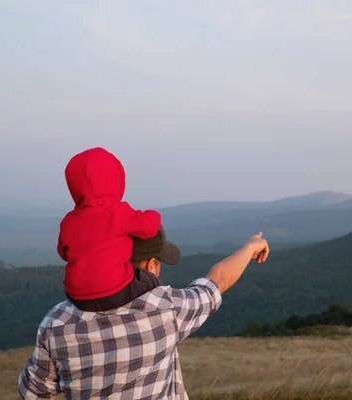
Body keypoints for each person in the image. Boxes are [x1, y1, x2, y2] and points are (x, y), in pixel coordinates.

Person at [18, 226, 270, 399]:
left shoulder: (58, 322)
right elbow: (218, 282)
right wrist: (249, 249)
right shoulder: (167, 310)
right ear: (151, 265)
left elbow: (34, 392)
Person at [57, 147, 162, 312]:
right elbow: (149, 227)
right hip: (115, 293)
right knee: (150, 281)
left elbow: (63, 253)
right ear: (116, 180)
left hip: (77, 297)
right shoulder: (118, 213)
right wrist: (153, 214)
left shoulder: (68, 221)